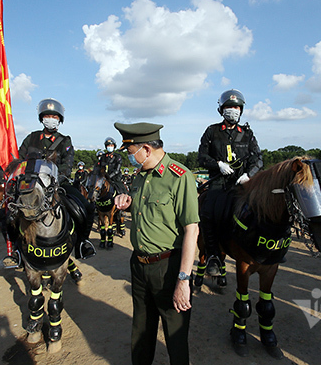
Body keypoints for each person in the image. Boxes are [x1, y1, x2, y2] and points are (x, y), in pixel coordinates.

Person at [113, 122, 200, 365]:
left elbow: (191, 230)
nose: (131, 159)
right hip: (139, 265)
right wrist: (127, 202)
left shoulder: (179, 177)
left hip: (168, 268)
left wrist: (183, 279)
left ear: (147, 150)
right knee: (141, 329)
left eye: (132, 153)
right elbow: (147, 210)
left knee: (175, 335)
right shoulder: (140, 177)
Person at [17, 98, 96, 263]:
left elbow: (67, 165)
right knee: (10, 213)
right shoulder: (31, 138)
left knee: (86, 208)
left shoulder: (64, 140)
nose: (51, 119)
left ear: (60, 119)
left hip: (58, 184)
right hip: (32, 184)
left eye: (55, 116)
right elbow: (20, 159)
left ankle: (82, 243)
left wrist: (55, 180)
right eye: (47, 116)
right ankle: (16, 251)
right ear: (42, 118)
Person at [197, 89, 263, 276]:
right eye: (228, 107)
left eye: (236, 107)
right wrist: (217, 164)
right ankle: (213, 256)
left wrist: (249, 174)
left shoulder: (247, 134)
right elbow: (201, 157)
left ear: (241, 110)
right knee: (208, 212)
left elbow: (258, 158)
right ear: (221, 109)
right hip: (219, 183)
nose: (232, 110)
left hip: (242, 184)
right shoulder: (212, 131)